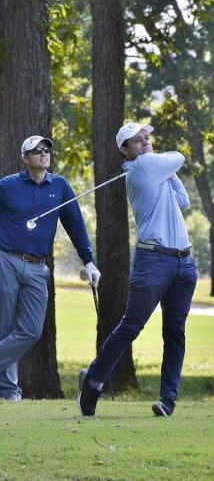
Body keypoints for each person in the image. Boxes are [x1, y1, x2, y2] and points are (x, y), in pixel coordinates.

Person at [77, 122, 198, 417]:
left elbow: (184, 201)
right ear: (124, 150)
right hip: (153, 261)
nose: (145, 142)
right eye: (136, 140)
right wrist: (165, 167)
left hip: (184, 262)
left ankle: (167, 400)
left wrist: (166, 171)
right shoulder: (143, 167)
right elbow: (179, 157)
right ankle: (93, 381)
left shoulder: (151, 169)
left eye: (146, 137)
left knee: (175, 331)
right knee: (131, 326)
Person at [0, 135, 101, 401]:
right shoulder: (7, 186)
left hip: (37, 266)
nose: (44, 153)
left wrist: (88, 261)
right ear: (25, 158)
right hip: (6, 260)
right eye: (37, 150)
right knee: (4, 327)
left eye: (47, 149)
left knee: (31, 330)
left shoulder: (60, 186)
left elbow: (75, 224)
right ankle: (9, 391)